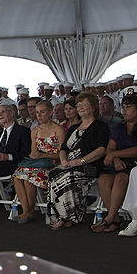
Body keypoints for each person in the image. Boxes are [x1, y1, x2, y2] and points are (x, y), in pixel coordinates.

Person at [46, 92, 110, 230]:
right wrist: (63, 160)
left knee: (67, 176)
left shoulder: (100, 126)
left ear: (93, 107)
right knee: (53, 173)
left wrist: (81, 161)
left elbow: (101, 150)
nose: (80, 108)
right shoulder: (74, 128)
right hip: (70, 164)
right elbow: (64, 148)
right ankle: (60, 214)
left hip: (90, 165)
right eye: (78, 105)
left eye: (84, 105)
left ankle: (68, 216)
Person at [11, 101, 65, 223]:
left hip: (53, 163)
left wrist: (43, 155)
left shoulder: (58, 129)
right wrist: (35, 155)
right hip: (38, 163)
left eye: (42, 112)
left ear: (50, 112)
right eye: (37, 113)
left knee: (29, 178)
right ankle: (26, 210)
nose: (39, 115)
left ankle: (28, 212)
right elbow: (33, 152)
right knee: (17, 176)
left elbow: (62, 153)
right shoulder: (35, 131)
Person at [93, 94, 137, 232]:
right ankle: (116, 219)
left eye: (128, 107)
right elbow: (110, 147)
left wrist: (115, 155)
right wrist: (115, 158)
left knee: (120, 178)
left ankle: (109, 218)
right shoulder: (120, 126)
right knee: (103, 180)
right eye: (123, 107)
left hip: (133, 163)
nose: (124, 110)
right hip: (119, 162)